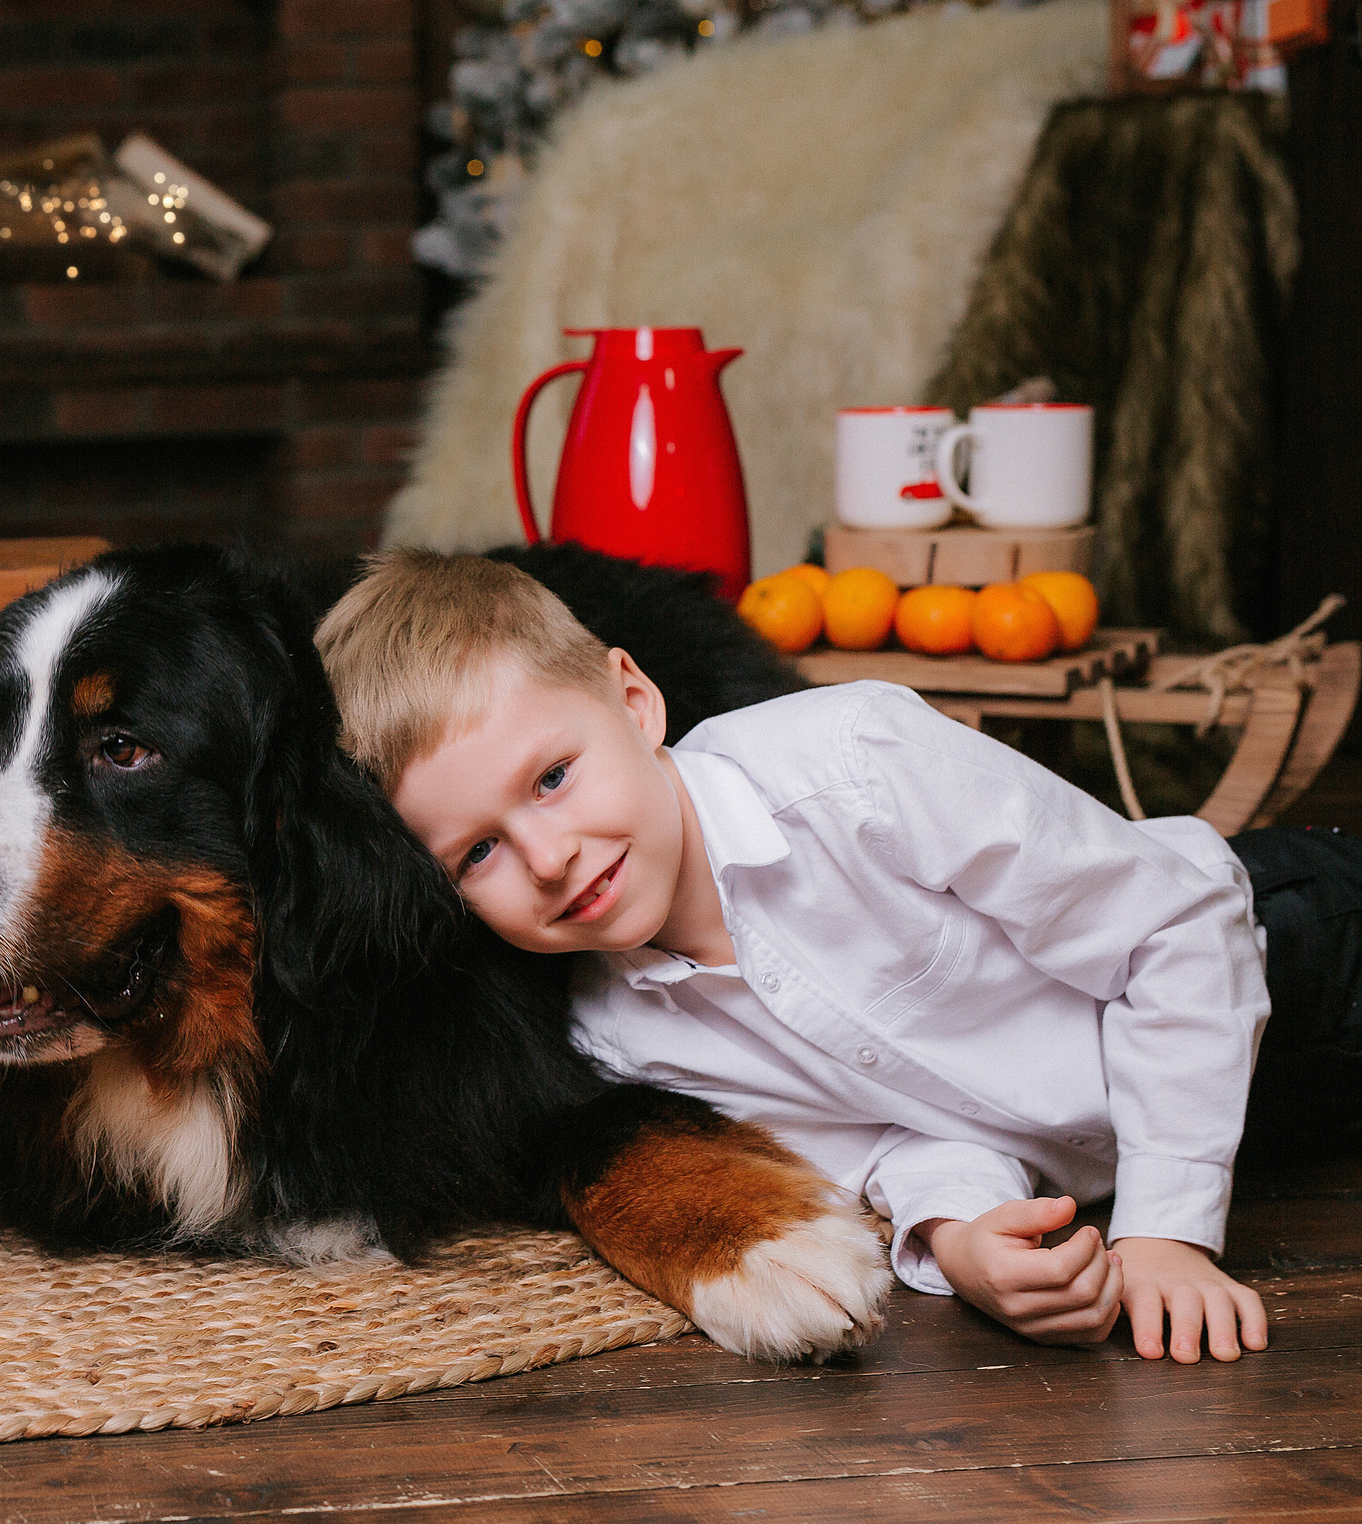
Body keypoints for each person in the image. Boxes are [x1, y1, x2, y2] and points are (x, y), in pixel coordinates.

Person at [318, 549, 1361, 1363]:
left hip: (1293, 958)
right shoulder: (620, 1033)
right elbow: (889, 1134)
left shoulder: (855, 769)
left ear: (634, 702)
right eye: (479, 852)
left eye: (552, 778)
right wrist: (964, 1232)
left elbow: (1173, 929)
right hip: (1265, 1125)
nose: (548, 857)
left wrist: (1166, 1230)